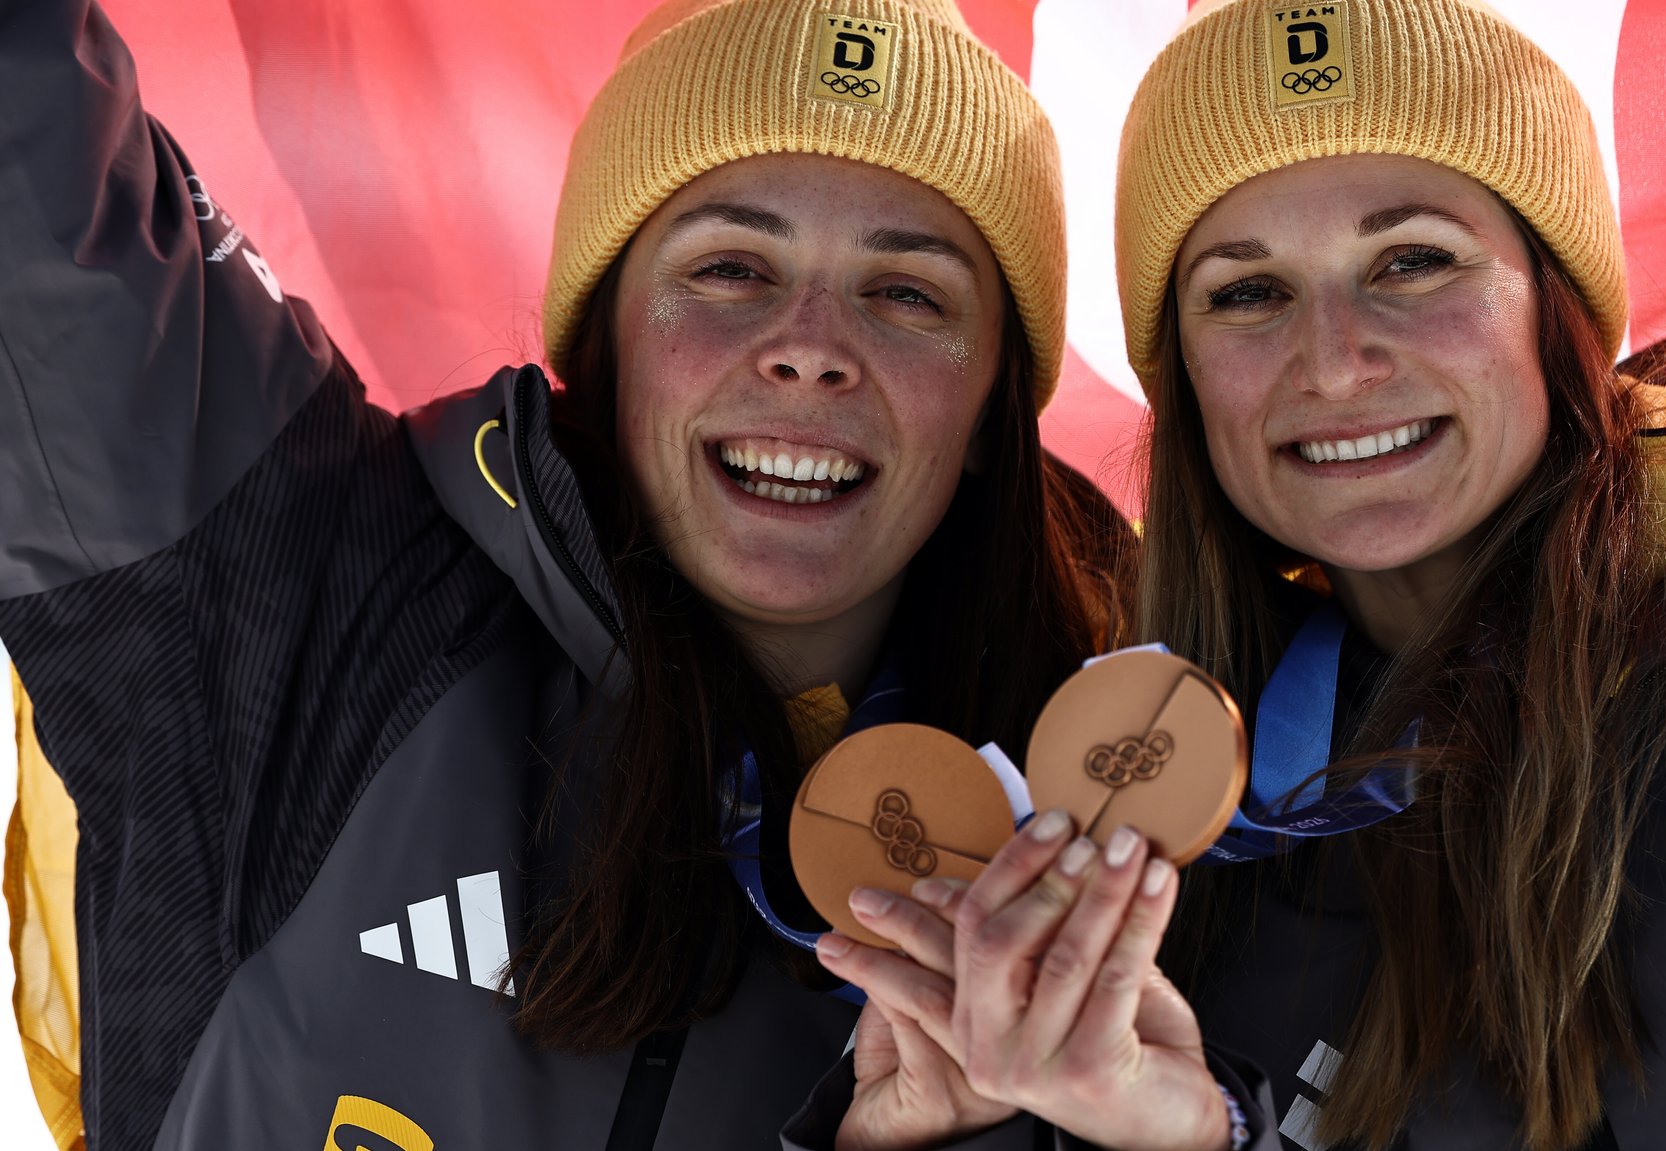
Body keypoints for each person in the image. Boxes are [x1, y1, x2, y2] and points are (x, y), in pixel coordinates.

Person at [798, 0, 1666, 1148]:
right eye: (1246, 292)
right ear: (1182, 386)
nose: (1334, 362)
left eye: (1412, 260)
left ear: (1551, 299)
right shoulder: (1171, 839)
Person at [0, 0, 1130, 1146]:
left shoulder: (1124, 844)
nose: (811, 345)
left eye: (906, 293)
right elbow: (37, 204)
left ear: (994, 402)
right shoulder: (307, 589)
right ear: (604, 330)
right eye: (731, 266)